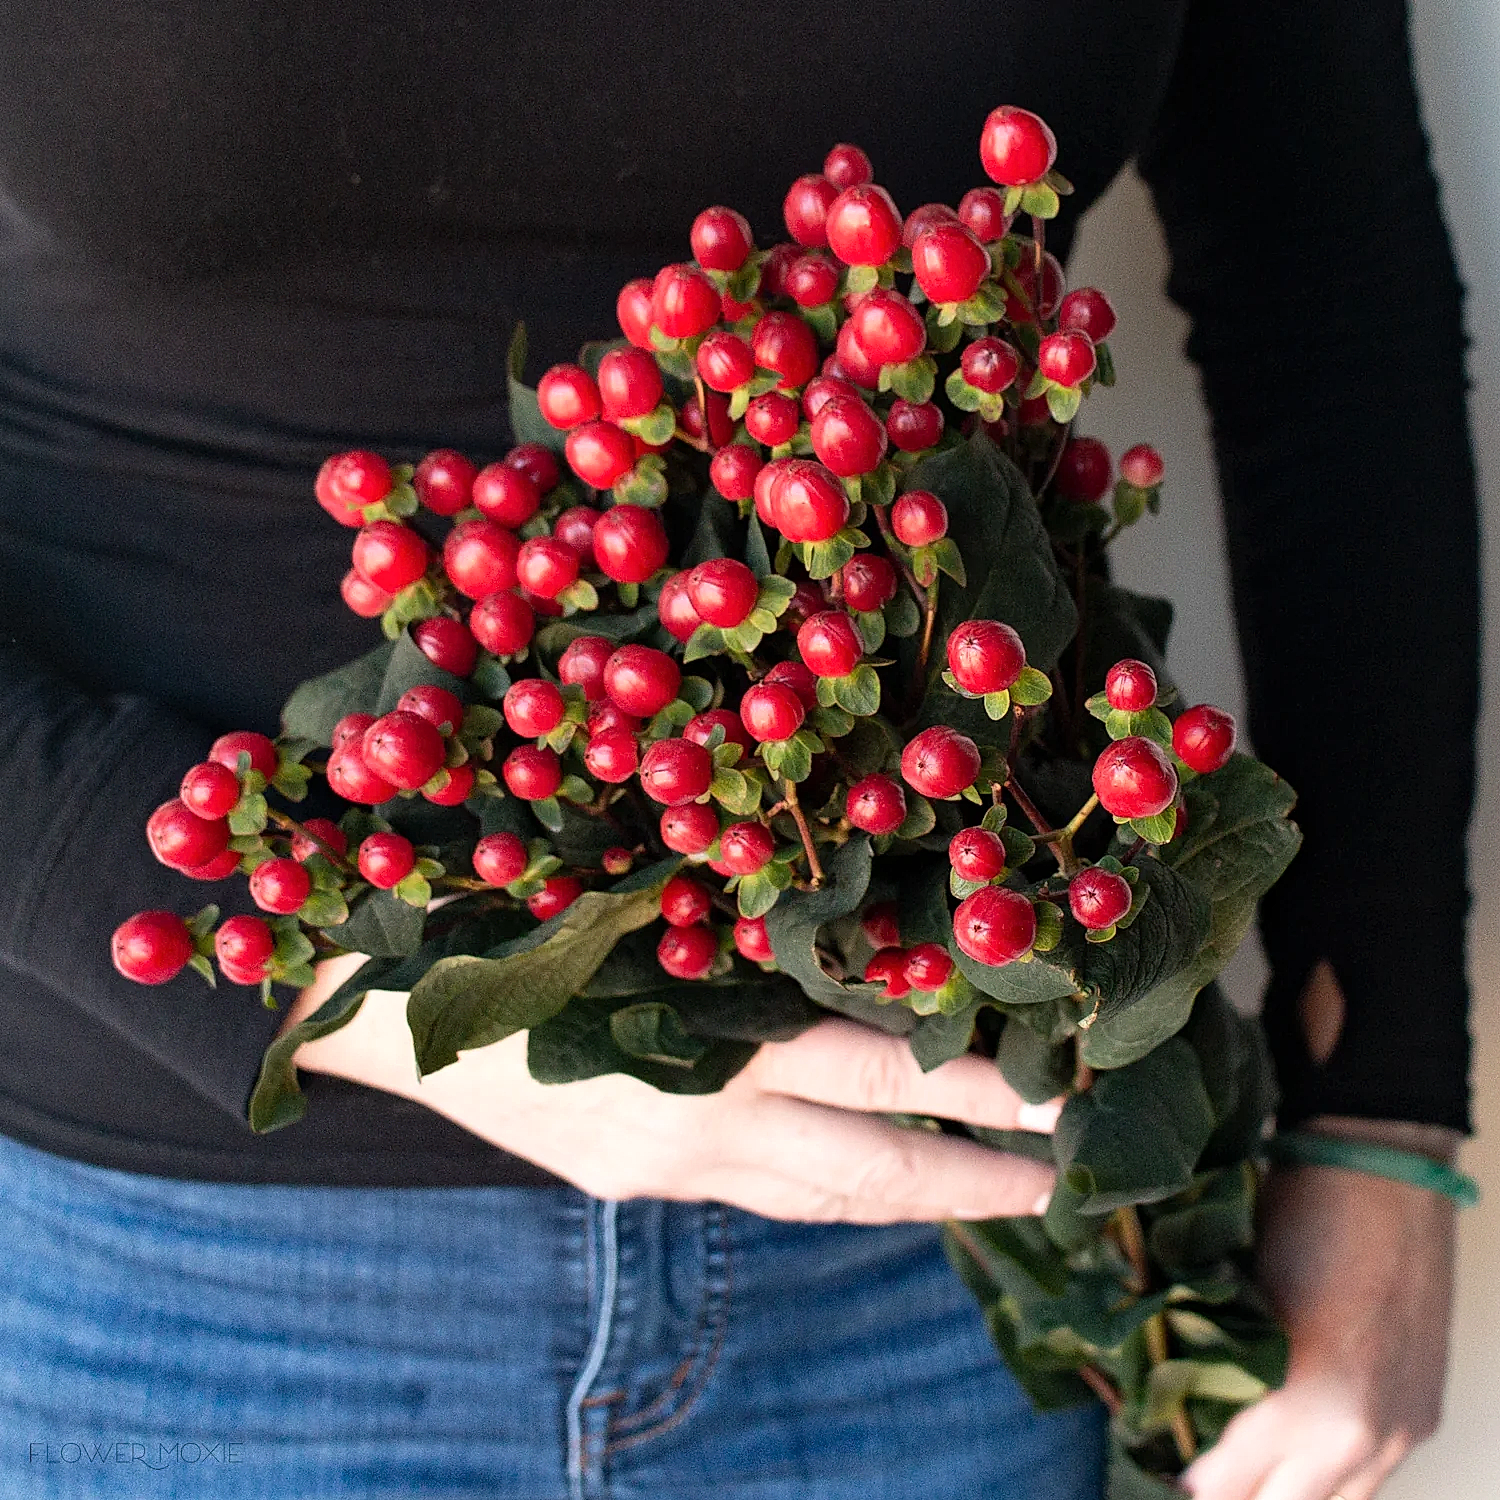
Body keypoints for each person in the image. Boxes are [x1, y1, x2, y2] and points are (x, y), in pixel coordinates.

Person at [0, 2, 1476, 1498]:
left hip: (949, 1242)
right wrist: (351, 986)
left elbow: (1333, 332)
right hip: (168, 1262)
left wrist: (1386, 1109)